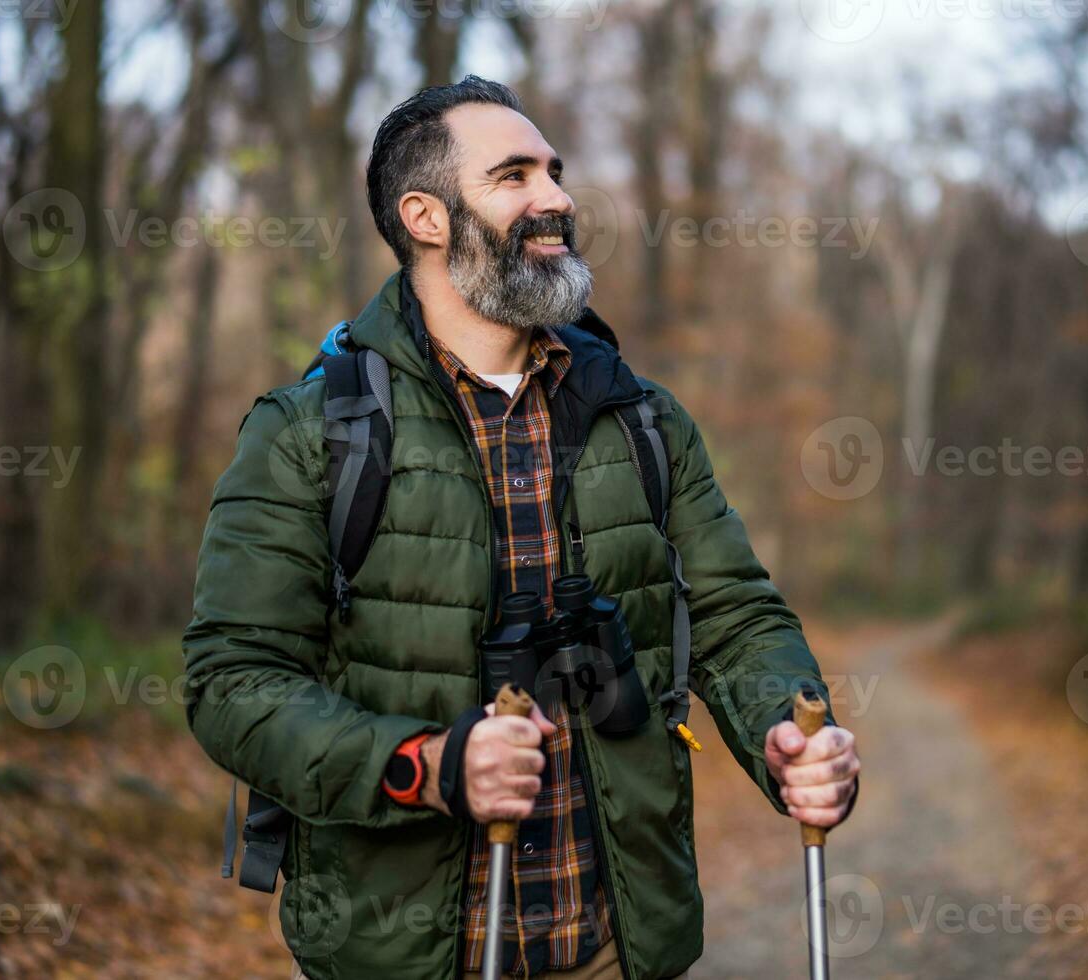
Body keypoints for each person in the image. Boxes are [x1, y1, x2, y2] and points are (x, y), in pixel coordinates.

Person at [182, 75, 860, 980]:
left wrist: (787, 729)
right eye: (515, 176)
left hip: (615, 944)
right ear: (425, 217)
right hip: (404, 951)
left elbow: (736, 618)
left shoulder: (641, 417)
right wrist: (425, 764)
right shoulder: (311, 433)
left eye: (555, 171)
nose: (558, 199)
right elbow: (232, 682)